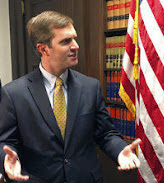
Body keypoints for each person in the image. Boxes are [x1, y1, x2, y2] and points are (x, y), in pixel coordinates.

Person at [0, 11, 141, 183]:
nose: (76, 46)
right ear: (43, 49)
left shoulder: (91, 87)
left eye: (74, 38)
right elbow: (5, 142)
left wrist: (120, 150)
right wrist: (5, 159)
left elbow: (106, 133)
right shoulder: (14, 93)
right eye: (66, 41)